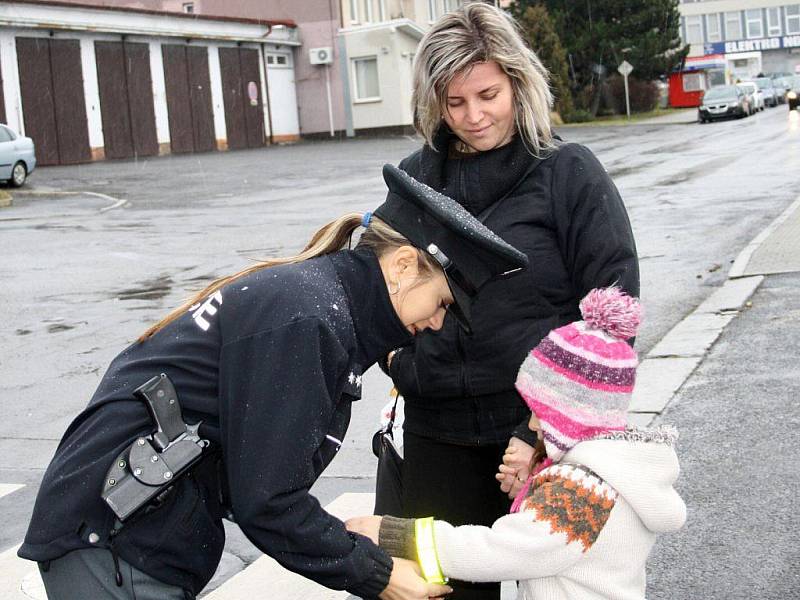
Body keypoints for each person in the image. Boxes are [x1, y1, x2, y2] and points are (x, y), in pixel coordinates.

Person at [17, 164, 529, 600]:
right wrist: (380, 574)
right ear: (401, 266)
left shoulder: (318, 301)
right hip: (113, 537)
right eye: (441, 302)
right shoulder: (311, 319)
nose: (438, 323)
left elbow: (256, 489)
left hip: (131, 526)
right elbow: (269, 502)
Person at [382, 5, 640, 598]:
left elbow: (610, 317)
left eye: (488, 94)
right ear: (433, 104)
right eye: (455, 103)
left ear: (519, 83)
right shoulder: (413, 181)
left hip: (538, 444)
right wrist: (400, 361)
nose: (474, 117)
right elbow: (381, 288)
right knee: (435, 589)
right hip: (435, 434)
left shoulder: (568, 173)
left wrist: (540, 430)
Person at [348, 288, 687, 600]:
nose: (533, 423)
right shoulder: (612, 473)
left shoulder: (581, 490)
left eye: (540, 412)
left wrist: (396, 534)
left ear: (575, 416)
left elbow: (501, 551)